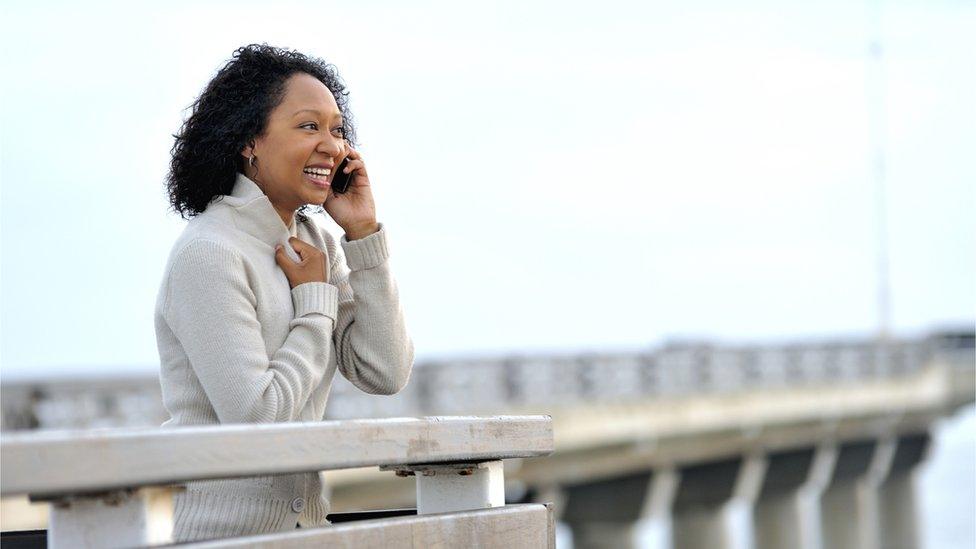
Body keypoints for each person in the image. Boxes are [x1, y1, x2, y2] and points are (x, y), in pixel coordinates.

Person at [154, 44, 414, 542]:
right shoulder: (209, 252)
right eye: (308, 126)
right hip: (219, 537)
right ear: (250, 140)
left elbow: (385, 371)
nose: (333, 145)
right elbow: (256, 418)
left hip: (302, 533)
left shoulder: (315, 242)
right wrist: (315, 305)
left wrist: (362, 236)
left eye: (338, 130)